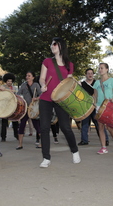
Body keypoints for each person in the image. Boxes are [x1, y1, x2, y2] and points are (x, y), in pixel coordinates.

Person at [38, 37, 80, 168]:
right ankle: (46, 157)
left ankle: (75, 151)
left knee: (65, 127)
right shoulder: (47, 61)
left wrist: (75, 83)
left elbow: (68, 83)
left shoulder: (69, 65)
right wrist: (43, 85)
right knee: (44, 127)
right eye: (51, 44)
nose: (52, 46)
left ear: (61, 45)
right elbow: (41, 78)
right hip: (45, 99)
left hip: (61, 100)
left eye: (54, 44)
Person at [93, 63, 113, 154]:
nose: (100, 70)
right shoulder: (97, 82)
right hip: (99, 107)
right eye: (99, 68)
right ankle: (103, 147)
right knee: (100, 127)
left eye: (102, 68)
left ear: (107, 69)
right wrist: (94, 104)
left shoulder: (112, 80)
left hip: (109, 106)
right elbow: (95, 95)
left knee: (110, 128)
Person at [78, 68, 109, 146]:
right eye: (88, 73)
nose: (90, 75)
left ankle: (105, 140)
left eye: (91, 73)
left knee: (99, 124)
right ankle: (84, 140)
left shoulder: (97, 83)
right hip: (86, 107)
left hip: (96, 106)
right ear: (86, 75)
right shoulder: (82, 84)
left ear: (93, 74)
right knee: (85, 124)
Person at [16, 71, 41, 149]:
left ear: (33, 77)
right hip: (25, 108)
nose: (27, 77)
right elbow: (18, 94)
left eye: (29, 76)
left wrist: (36, 98)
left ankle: (42, 143)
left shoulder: (36, 85)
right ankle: (20, 144)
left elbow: (41, 94)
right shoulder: (23, 85)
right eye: (26, 75)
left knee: (37, 126)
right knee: (22, 125)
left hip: (33, 108)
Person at [1, 73, 19, 141]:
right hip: (5, 106)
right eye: (8, 81)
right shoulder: (3, 87)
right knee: (4, 122)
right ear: (6, 81)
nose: (10, 82)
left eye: (11, 81)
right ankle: (3, 136)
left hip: (13, 106)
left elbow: (17, 96)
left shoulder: (14, 88)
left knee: (15, 120)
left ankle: (16, 135)